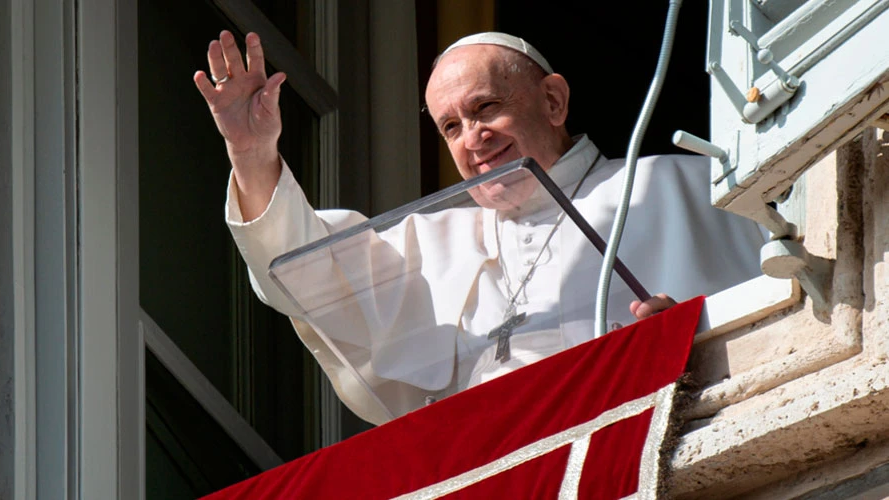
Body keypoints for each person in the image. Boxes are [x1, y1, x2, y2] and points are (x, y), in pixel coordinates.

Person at [194, 31, 764, 425]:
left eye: (486, 108)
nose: (472, 138)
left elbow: (808, 285)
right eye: (450, 126)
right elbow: (302, 273)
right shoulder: (434, 243)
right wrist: (252, 153)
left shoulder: (684, 186)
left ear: (554, 100)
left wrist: (700, 334)